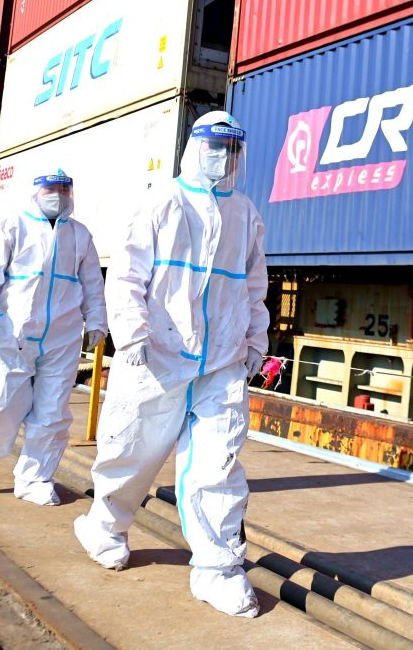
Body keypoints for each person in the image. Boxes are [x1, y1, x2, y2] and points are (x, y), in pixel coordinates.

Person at [74, 111, 270, 618]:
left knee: (218, 464)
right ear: (194, 148)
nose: (222, 157)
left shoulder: (245, 213)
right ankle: (104, 525)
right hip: (158, 354)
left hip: (221, 360)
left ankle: (218, 568)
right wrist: (132, 333)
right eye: (214, 147)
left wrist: (255, 339)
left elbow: (254, 285)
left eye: (231, 149)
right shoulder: (161, 201)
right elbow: (127, 274)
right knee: (132, 452)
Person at [0, 169, 108, 505]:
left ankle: (35, 479)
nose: (58, 195)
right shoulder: (11, 225)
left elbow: (92, 283)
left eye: (63, 189)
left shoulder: (80, 234)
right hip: (14, 331)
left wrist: (97, 322)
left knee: (52, 411)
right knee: (0, 403)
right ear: (35, 192)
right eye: (50, 188)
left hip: (63, 335)